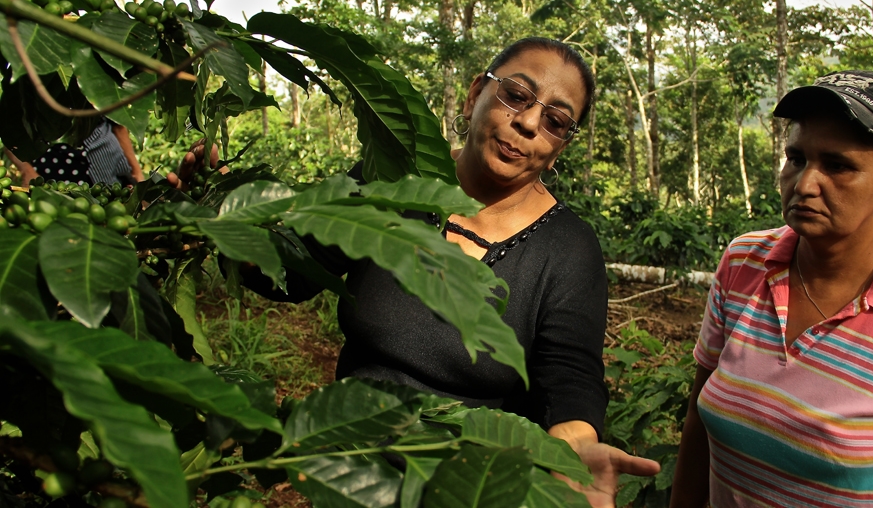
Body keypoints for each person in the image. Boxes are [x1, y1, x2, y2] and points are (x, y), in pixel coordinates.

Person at [170, 37, 660, 507]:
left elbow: (570, 377)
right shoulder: (390, 183)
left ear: (560, 148)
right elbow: (291, 270)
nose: (529, 123)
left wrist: (571, 451)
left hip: (472, 486)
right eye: (516, 96)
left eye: (555, 121)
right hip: (349, 470)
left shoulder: (569, 249)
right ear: (475, 95)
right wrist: (222, 219)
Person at [670, 71, 873, 507]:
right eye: (796, 158)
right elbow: (699, 415)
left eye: (838, 165)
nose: (805, 184)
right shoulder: (744, 263)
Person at [4, 118, 144, 187]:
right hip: (52, 174)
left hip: (105, 167)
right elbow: (10, 133)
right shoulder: (31, 78)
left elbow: (119, 124)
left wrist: (136, 171)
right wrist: (27, 170)